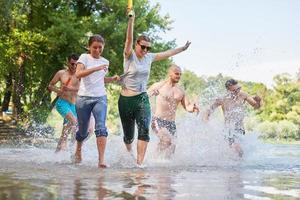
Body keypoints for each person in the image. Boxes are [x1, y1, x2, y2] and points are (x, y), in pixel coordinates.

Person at [118, 10, 191, 167]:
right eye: (142, 47)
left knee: (144, 130)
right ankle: (128, 153)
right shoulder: (129, 55)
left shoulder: (149, 57)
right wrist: (131, 21)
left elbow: (167, 52)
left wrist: (182, 49)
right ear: (137, 45)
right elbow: (128, 39)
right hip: (126, 100)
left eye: (148, 48)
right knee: (129, 136)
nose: (145, 50)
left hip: (142, 98)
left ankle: (140, 164)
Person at [74, 34, 119, 168]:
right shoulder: (84, 57)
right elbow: (78, 74)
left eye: (100, 47)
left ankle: (101, 160)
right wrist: (96, 68)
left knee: (101, 127)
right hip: (83, 98)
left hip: (100, 97)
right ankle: (78, 149)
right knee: (83, 131)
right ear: (89, 47)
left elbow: (99, 79)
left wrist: (111, 79)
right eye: (95, 47)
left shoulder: (105, 61)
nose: (97, 50)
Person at [148, 64, 199, 157]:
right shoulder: (159, 86)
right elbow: (144, 97)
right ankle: (153, 159)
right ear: (170, 74)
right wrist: (151, 94)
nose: (179, 76)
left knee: (172, 148)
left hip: (171, 123)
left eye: (180, 74)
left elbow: (187, 106)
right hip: (158, 120)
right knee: (166, 140)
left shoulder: (180, 90)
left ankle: (167, 167)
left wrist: (193, 108)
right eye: (176, 73)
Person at [203, 79, 261, 157]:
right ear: (228, 90)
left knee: (239, 152)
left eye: (238, 89)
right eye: (234, 90)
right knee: (237, 149)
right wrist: (206, 120)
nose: (237, 91)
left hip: (240, 129)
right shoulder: (222, 98)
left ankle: (237, 167)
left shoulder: (243, 95)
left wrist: (258, 101)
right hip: (228, 129)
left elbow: (256, 106)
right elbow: (209, 110)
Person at [48, 54, 79, 152]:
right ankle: (66, 149)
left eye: (76, 64)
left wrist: (70, 88)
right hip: (62, 103)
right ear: (68, 62)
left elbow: (83, 89)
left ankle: (57, 153)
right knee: (74, 122)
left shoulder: (80, 75)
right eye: (72, 64)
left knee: (68, 131)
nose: (74, 66)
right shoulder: (61, 73)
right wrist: (59, 91)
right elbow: (50, 85)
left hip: (74, 105)